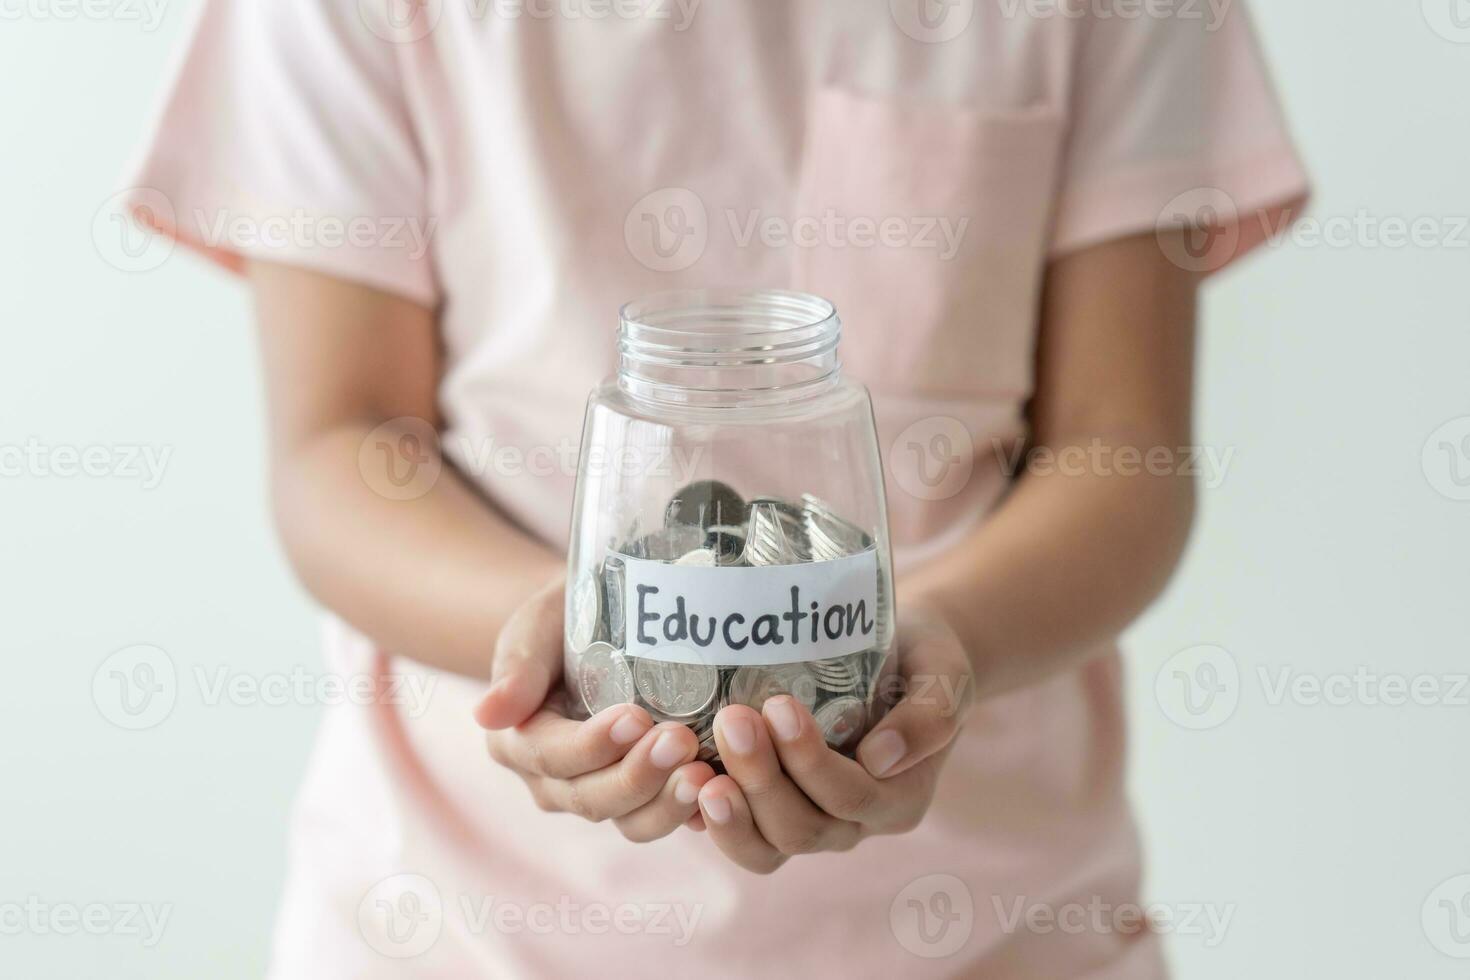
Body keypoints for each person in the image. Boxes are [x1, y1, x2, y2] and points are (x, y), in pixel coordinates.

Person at [126, 0, 1307, 975]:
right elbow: (340, 443)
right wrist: (553, 636)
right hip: (455, 928)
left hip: (995, 927)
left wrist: (944, 646)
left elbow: (1123, 451)